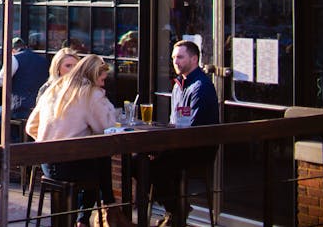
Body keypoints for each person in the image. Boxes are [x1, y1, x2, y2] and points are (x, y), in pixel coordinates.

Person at [25, 54, 133, 227]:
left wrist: (49, 140)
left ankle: (96, 213)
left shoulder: (55, 88)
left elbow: (31, 126)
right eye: (102, 80)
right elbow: (106, 127)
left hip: (48, 164)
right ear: (93, 76)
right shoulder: (90, 93)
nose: (104, 84)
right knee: (101, 161)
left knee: (96, 159)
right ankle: (102, 211)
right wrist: (106, 103)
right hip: (70, 166)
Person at [148, 40, 220, 227]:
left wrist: (163, 148)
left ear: (194, 59)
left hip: (197, 149)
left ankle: (176, 211)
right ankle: (176, 209)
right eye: (173, 58)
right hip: (178, 145)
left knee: (151, 167)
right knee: (137, 163)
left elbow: (192, 130)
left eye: (180, 57)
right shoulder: (178, 85)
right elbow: (175, 123)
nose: (175, 62)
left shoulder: (201, 87)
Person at [0, 36, 50, 123]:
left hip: (20, 107)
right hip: (40, 107)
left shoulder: (14, 59)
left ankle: (13, 136)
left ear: (11, 50)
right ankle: (22, 136)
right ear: (25, 47)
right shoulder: (43, 60)